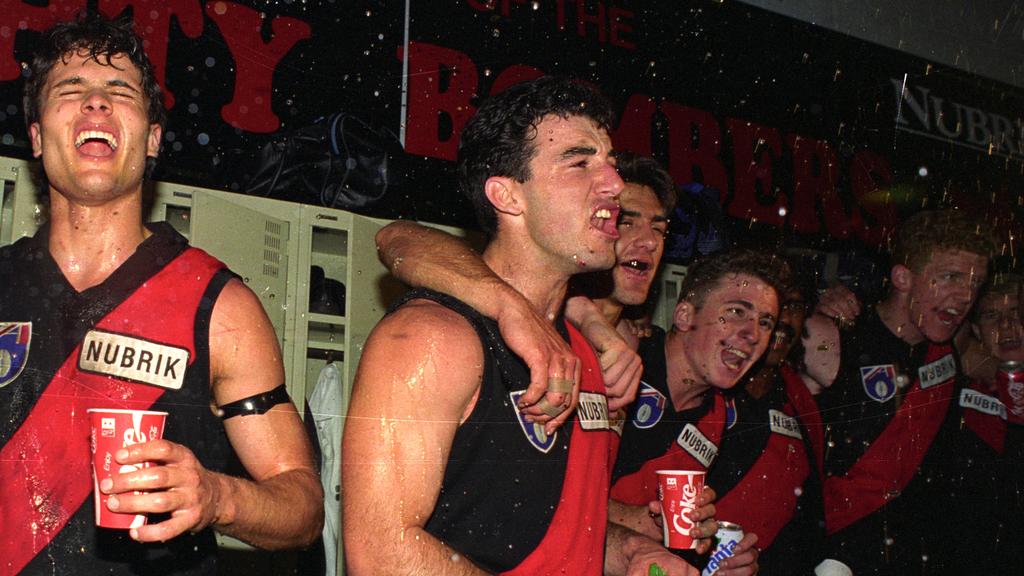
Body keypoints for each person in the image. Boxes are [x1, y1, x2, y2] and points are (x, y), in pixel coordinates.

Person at [343, 77, 714, 575]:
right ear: (508, 196)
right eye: (580, 163)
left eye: (610, 164)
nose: (615, 185)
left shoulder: (582, 350)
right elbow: (382, 555)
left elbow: (553, 529)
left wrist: (628, 551)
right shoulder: (432, 339)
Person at [0, 13, 322, 575]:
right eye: (71, 89)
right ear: (35, 136)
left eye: (118, 91)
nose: (95, 104)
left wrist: (218, 497)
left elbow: (303, 507)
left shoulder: (221, 307)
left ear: (151, 139)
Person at [802, 208, 993, 574]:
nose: (964, 295)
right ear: (903, 277)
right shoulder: (836, 336)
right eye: (950, 277)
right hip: (841, 553)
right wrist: (814, 300)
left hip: (923, 554)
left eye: (974, 283)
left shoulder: (956, 343)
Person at [608, 248, 782, 572]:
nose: (753, 333)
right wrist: (638, 523)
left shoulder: (725, 421)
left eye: (765, 322)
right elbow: (543, 493)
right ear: (685, 315)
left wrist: (718, 564)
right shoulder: (619, 362)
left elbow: (682, 540)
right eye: (735, 311)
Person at [705, 260, 830, 574]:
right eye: (774, 310)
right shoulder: (703, 390)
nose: (784, 320)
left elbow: (812, 514)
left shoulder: (801, 403)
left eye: (795, 307)